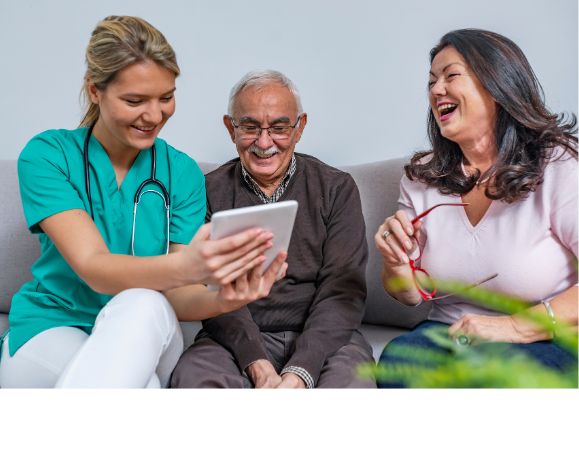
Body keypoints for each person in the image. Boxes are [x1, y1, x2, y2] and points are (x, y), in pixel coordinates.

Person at [0, 17, 285, 389]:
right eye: (135, 101)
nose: (154, 116)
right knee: (143, 387)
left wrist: (224, 299)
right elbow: (93, 266)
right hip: (52, 327)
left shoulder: (180, 172)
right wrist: (185, 265)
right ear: (95, 91)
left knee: (142, 303)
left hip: (151, 331)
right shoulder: (48, 156)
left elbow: (180, 298)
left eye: (166, 97)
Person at [375, 29, 579, 387]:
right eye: (432, 81)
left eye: (451, 75)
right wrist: (395, 265)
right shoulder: (423, 177)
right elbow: (412, 294)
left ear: (498, 85)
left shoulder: (559, 164)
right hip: (450, 333)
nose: (436, 90)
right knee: (397, 362)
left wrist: (513, 327)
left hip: (545, 336)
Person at [170, 70, 376, 389]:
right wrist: (257, 362)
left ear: (299, 127)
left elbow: (342, 291)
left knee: (351, 387)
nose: (264, 143)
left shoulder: (337, 188)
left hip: (325, 340)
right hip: (233, 339)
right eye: (250, 127)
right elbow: (212, 290)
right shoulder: (207, 191)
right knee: (195, 379)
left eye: (278, 128)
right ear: (231, 128)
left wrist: (301, 369)